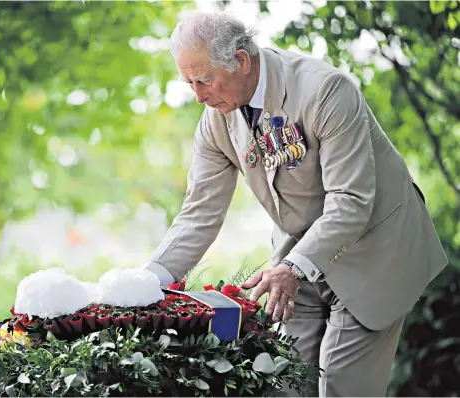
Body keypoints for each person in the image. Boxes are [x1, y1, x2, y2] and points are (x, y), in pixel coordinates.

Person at [140, 10, 449, 397]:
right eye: (189, 82)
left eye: (203, 80)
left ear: (241, 60)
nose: (199, 96)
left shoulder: (325, 91)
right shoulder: (216, 117)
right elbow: (199, 209)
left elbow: (351, 200)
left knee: (341, 387)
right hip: (296, 258)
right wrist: (145, 283)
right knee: (285, 380)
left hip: (374, 250)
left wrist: (292, 267)